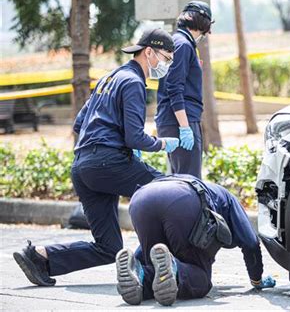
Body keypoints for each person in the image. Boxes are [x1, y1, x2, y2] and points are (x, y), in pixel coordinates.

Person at [13, 29, 179, 287]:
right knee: (170, 192)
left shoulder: (108, 79)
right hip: (108, 163)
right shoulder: (134, 83)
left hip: (83, 167)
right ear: (149, 52)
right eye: (166, 58)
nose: (166, 65)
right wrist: (161, 144)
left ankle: (39, 257)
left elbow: (79, 124)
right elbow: (134, 137)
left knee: (108, 247)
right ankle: (156, 268)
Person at [115, 175, 276, 306]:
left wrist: (136, 260)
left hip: (141, 199)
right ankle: (176, 270)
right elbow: (250, 242)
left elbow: (150, 249)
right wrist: (257, 280)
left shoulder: (211, 189)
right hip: (184, 200)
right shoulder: (230, 199)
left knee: (154, 262)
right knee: (201, 278)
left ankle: (140, 274)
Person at [155, 1, 214, 179]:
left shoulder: (178, 42)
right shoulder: (183, 45)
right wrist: (185, 127)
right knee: (188, 182)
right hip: (180, 121)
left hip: (177, 120)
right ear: (203, 24)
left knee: (181, 180)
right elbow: (174, 87)